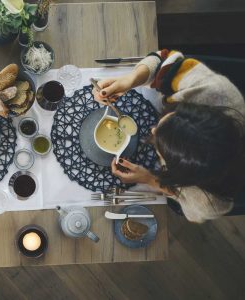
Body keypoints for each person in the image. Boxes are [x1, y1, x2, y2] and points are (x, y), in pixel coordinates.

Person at [93, 49, 245, 223]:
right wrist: (130, 80)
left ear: (179, 175)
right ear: (195, 109)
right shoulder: (216, 92)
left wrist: (150, 179)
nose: (152, 131)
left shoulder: (209, 204)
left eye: (160, 150)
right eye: (173, 115)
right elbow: (164, 59)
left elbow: (184, 201)